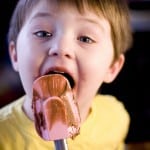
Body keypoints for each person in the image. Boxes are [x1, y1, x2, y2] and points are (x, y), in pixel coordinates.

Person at [0, 0, 132, 149]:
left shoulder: (114, 117)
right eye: (42, 33)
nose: (61, 48)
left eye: (85, 39)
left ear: (112, 67)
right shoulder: (3, 136)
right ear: (15, 55)